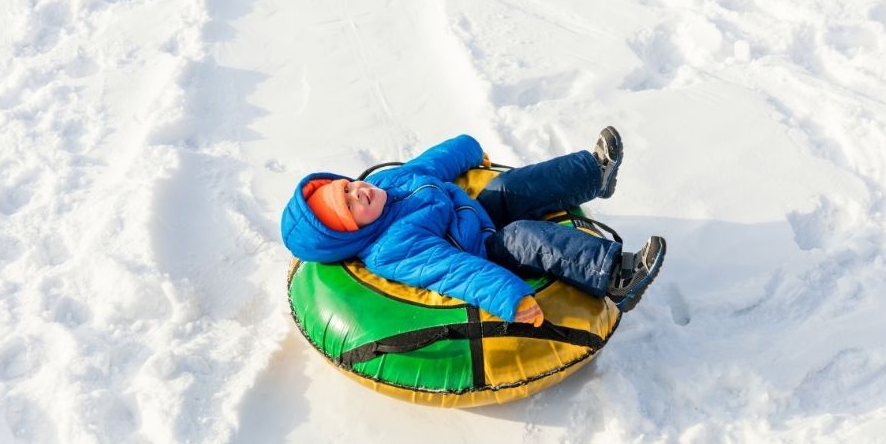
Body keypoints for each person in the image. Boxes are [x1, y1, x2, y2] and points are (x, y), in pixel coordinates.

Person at [280, 128, 665, 327]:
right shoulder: (391, 247)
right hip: (484, 250)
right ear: (352, 234)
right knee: (523, 237)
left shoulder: (391, 183)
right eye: (348, 207)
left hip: (473, 214)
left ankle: (593, 174)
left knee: (507, 188)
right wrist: (510, 298)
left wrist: (467, 148)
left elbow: (432, 164)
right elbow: (454, 272)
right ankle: (616, 276)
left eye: (346, 187)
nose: (358, 193)